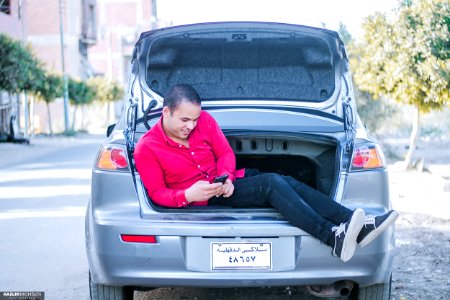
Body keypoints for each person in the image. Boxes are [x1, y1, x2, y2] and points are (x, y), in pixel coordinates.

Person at [134, 84, 399, 262]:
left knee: (288, 181)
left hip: (224, 183)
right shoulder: (147, 147)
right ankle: (332, 236)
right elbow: (157, 193)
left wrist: (226, 176)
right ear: (166, 112)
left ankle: (355, 222)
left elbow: (225, 153)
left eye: (195, 119)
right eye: (184, 120)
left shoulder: (204, 121)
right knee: (271, 184)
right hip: (201, 198)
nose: (191, 126)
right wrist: (187, 195)